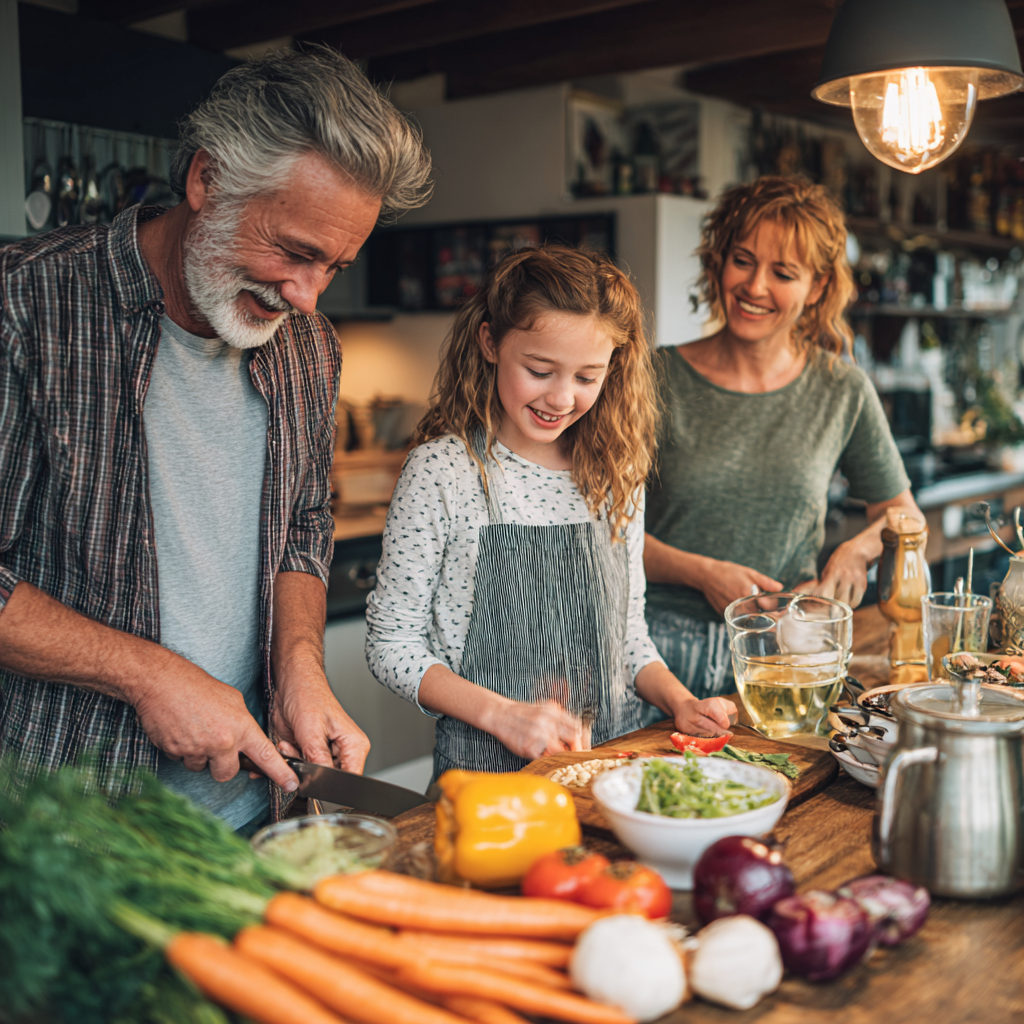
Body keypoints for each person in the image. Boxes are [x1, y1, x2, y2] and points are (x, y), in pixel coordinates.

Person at [0, 47, 432, 829]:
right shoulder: (22, 309)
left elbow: (303, 525)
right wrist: (145, 674)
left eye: (334, 266)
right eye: (295, 251)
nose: (305, 295)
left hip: (256, 807)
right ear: (207, 180)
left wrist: (299, 666)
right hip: (60, 826)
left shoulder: (308, 347)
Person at [365, 245, 736, 779]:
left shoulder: (614, 473)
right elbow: (390, 644)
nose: (562, 397)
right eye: (540, 370)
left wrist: (680, 700)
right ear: (490, 342)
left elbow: (627, 637)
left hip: (610, 769)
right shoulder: (444, 472)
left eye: (587, 377)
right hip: (485, 780)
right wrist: (504, 715)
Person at [643, 176, 923, 703]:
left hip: (786, 651)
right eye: (742, 260)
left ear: (816, 287)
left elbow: (905, 518)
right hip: (654, 653)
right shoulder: (652, 377)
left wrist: (856, 552)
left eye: (783, 272)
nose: (755, 287)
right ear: (718, 262)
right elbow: (601, 531)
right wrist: (701, 573)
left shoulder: (841, 389)